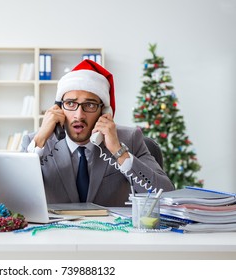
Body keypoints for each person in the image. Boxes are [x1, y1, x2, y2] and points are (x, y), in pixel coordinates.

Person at [21, 59, 175, 207]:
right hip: (53, 232)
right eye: (70, 104)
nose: (79, 115)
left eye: (89, 105)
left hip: (111, 232)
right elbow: (14, 197)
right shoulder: (35, 142)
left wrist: (118, 152)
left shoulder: (130, 139)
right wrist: (39, 140)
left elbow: (166, 195)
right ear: (58, 108)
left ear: (104, 112)